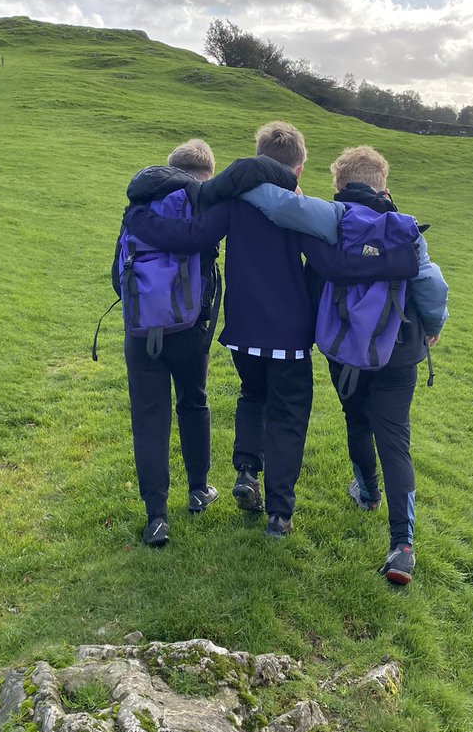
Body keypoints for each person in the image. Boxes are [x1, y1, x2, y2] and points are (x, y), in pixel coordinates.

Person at [122, 123, 418, 540]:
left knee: (252, 394)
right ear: (298, 170)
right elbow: (331, 265)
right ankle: (279, 514)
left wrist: (137, 218)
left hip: (243, 329)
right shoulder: (301, 211)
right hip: (290, 334)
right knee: (289, 417)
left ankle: (246, 471)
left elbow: (190, 236)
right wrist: (398, 263)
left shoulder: (234, 203)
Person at [241, 144, 448, 585]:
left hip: (346, 350)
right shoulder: (406, 229)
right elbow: (432, 285)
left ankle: (367, 491)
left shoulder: (332, 218)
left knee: (357, 421)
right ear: (383, 185)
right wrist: (433, 326)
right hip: (400, 350)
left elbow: (280, 207)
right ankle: (402, 545)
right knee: (395, 441)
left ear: (339, 183)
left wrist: (234, 181)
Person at [112, 140, 222, 547]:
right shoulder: (199, 209)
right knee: (194, 402)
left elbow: (117, 276)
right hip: (188, 331)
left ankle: (156, 516)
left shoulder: (138, 208)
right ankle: (198, 490)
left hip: (141, 332)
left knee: (149, 418)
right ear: (206, 175)